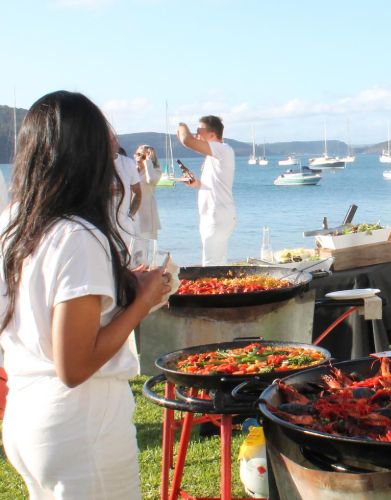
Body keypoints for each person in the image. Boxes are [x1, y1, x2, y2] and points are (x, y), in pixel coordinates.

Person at [0, 91, 171, 499]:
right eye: (107, 148)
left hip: (27, 415)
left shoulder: (15, 221)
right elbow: (74, 366)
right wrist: (143, 301)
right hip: (80, 426)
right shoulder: (78, 235)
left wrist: (120, 284)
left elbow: (35, 305)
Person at [176, 115, 236, 266]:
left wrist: (181, 124)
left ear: (212, 134)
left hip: (216, 215)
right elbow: (212, 184)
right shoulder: (214, 155)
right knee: (217, 263)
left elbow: (186, 140)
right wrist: (196, 183)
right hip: (215, 214)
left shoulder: (222, 149)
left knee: (210, 265)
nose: (196, 134)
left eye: (199, 130)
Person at [112, 139, 142, 244]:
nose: (115, 143)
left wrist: (130, 215)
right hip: (100, 227)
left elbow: (138, 192)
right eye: (110, 140)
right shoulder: (92, 164)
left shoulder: (128, 163)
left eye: (114, 139)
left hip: (124, 227)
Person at [133, 145, 162, 240]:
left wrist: (148, 163)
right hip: (130, 214)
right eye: (138, 154)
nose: (140, 158)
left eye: (144, 156)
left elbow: (150, 180)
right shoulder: (131, 170)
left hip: (146, 215)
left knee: (143, 249)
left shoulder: (156, 171)